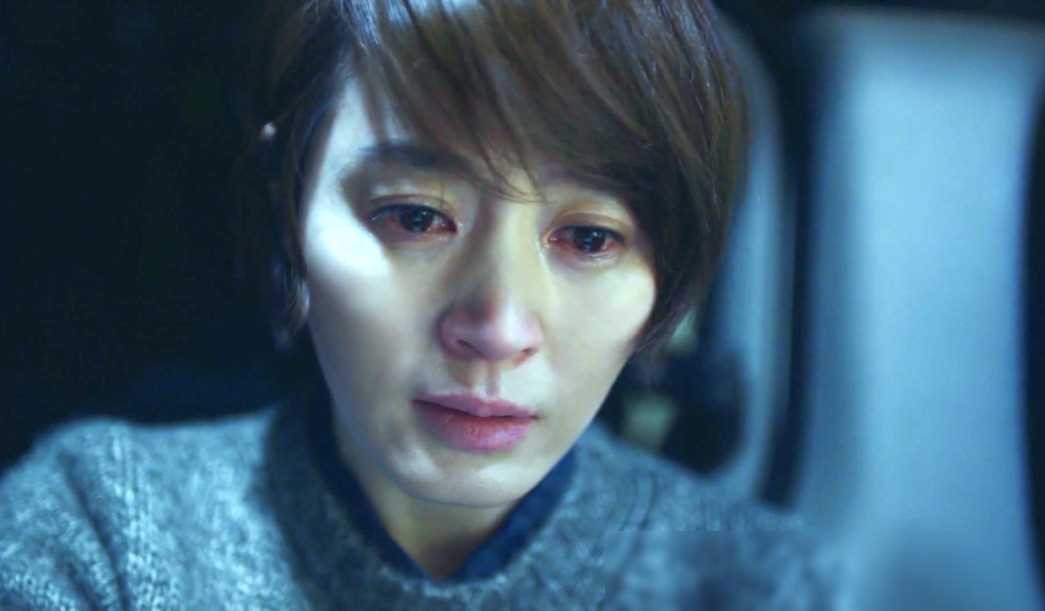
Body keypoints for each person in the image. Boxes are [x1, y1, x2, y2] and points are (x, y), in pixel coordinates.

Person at [0, 0, 840, 608]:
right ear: (288, 208)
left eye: (589, 238)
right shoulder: (103, 526)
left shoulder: (750, 580)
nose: (498, 328)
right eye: (414, 218)